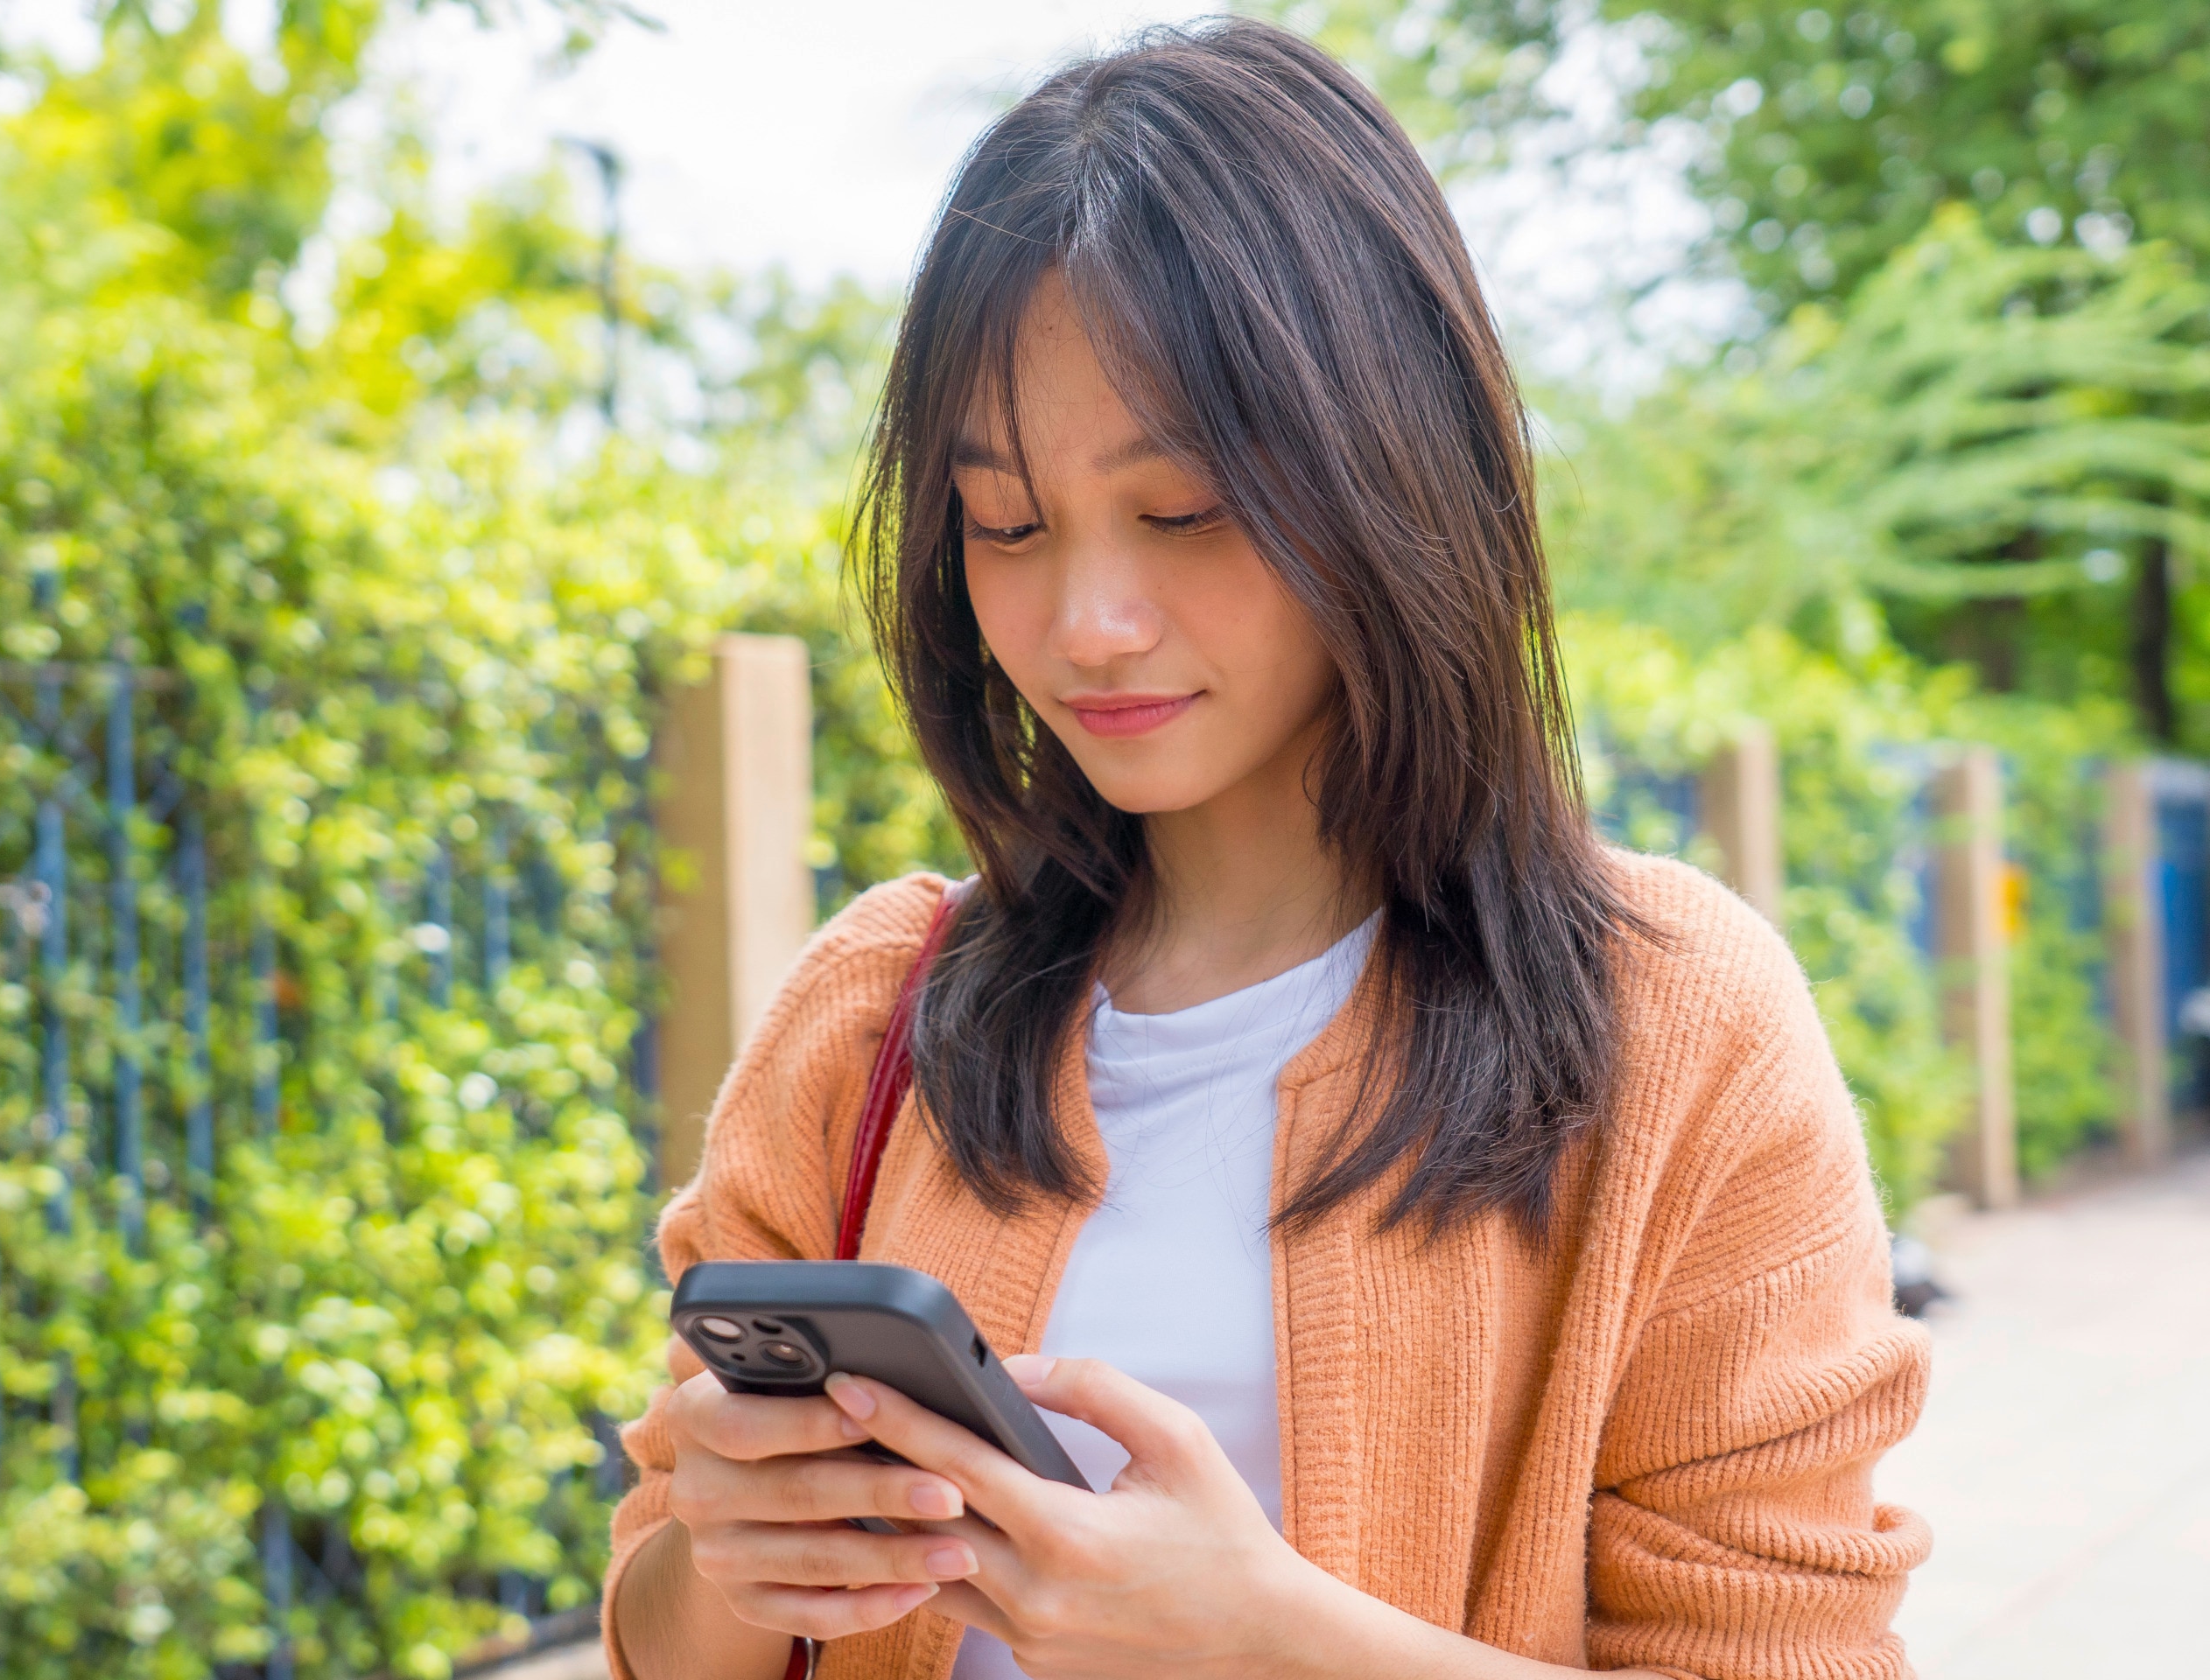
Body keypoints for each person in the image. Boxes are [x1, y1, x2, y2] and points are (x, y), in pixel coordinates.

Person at [602, 19, 1929, 1680]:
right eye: (1005, 524)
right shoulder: (881, 1013)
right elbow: (660, 1637)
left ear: (1389, 475)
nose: (1087, 622)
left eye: (1184, 513)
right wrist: (733, 1552)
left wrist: (1262, 1640)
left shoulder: (1672, 1029)